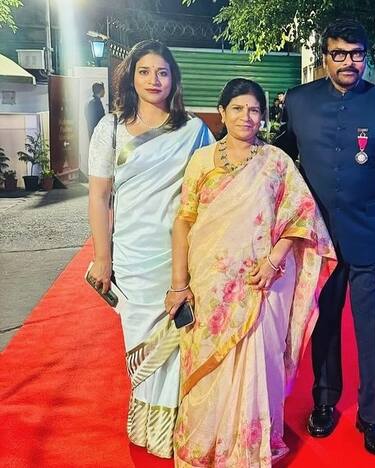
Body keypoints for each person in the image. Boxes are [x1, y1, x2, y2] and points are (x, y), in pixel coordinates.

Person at [167, 78, 336, 467]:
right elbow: (184, 220)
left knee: (259, 362)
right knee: (208, 364)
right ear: (222, 112)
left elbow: (301, 218)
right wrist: (179, 283)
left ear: (263, 117)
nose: (246, 117)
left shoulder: (277, 161)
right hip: (210, 281)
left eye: (255, 110)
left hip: (262, 282)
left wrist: (273, 262)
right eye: (238, 108)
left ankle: (248, 447)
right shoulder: (201, 161)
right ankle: (206, 447)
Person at [274, 18, 375, 457]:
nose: (348, 62)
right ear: (325, 58)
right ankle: (324, 402)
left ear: (365, 57)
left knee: (371, 329)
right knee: (325, 323)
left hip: (371, 236)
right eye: (339, 53)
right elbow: (277, 160)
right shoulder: (298, 102)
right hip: (317, 239)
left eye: (356, 54)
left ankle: (371, 418)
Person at [86, 40, 214, 458]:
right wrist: (102, 257)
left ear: (174, 78)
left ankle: (177, 429)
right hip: (132, 256)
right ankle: (148, 426)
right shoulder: (111, 128)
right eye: (144, 71)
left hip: (179, 255)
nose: (154, 80)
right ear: (131, 76)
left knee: (181, 341)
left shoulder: (193, 130)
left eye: (162, 72)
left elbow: (212, 188)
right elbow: (99, 196)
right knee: (141, 341)